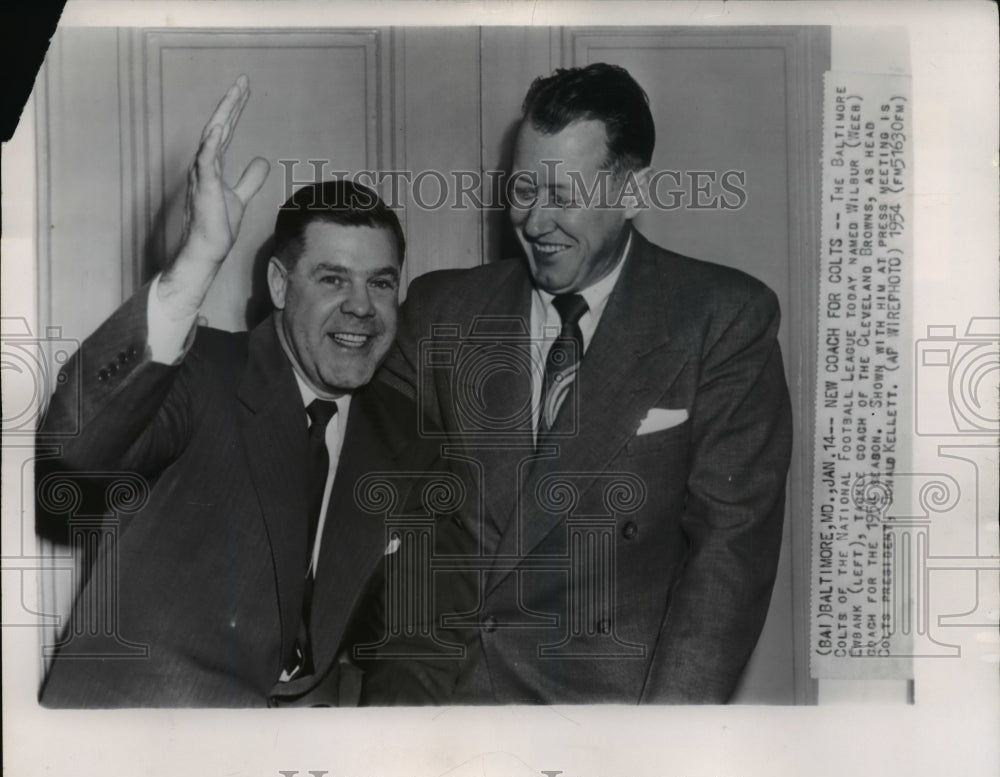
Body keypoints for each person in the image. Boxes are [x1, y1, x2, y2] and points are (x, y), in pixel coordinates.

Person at [361, 63, 794, 704]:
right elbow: (350, 460)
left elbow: (727, 565)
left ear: (631, 192)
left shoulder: (722, 318)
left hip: (608, 721)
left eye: (562, 196)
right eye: (522, 190)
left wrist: (661, 750)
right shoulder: (440, 310)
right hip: (440, 704)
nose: (535, 222)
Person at [37, 77, 431, 707]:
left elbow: (412, 636)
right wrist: (194, 263)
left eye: (381, 284)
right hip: (136, 742)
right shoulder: (203, 372)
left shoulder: (403, 434)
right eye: (333, 278)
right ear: (279, 285)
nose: (361, 307)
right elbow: (74, 447)